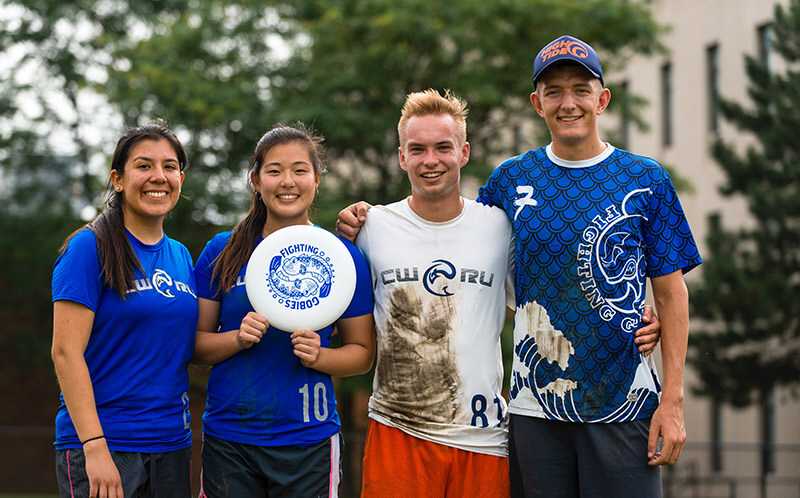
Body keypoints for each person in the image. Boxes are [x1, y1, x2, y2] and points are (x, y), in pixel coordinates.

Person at [337, 89, 661, 498]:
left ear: (464, 152)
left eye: (443, 147)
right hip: (399, 428)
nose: (430, 160)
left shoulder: (498, 227)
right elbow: (336, 306)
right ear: (402, 157)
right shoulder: (371, 228)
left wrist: (636, 315)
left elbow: (553, 290)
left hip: (483, 438)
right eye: (417, 149)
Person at [476, 35, 703, 498]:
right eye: (554, 91)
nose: (568, 103)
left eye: (581, 90)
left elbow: (672, 293)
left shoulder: (646, 179)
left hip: (624, 402)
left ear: (602, 100)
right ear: (536, 103)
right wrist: (372, 217)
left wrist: (673, 402)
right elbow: (462, 250)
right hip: (535, 406)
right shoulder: (510, 180)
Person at [193, 123, 375, 498]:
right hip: (230, 439)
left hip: (308, 440)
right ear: (255, 180)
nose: (287, 182)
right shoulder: (222, 250)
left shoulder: (342, 257)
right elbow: (194, 345)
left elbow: (362, 354)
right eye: (274, 171)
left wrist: (321, 356)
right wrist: (236, 339)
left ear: (317, 179)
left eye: (300, 170)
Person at [51, 122, 197, 498]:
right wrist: (94, 446)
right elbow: (65, 352)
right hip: (105, 446)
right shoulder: (88, 247)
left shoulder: (181, 256)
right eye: (144, 166)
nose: (158, 176)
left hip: (171, 444)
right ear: (118, 179)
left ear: (180, 179)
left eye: (169, 166)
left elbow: (185, 346)